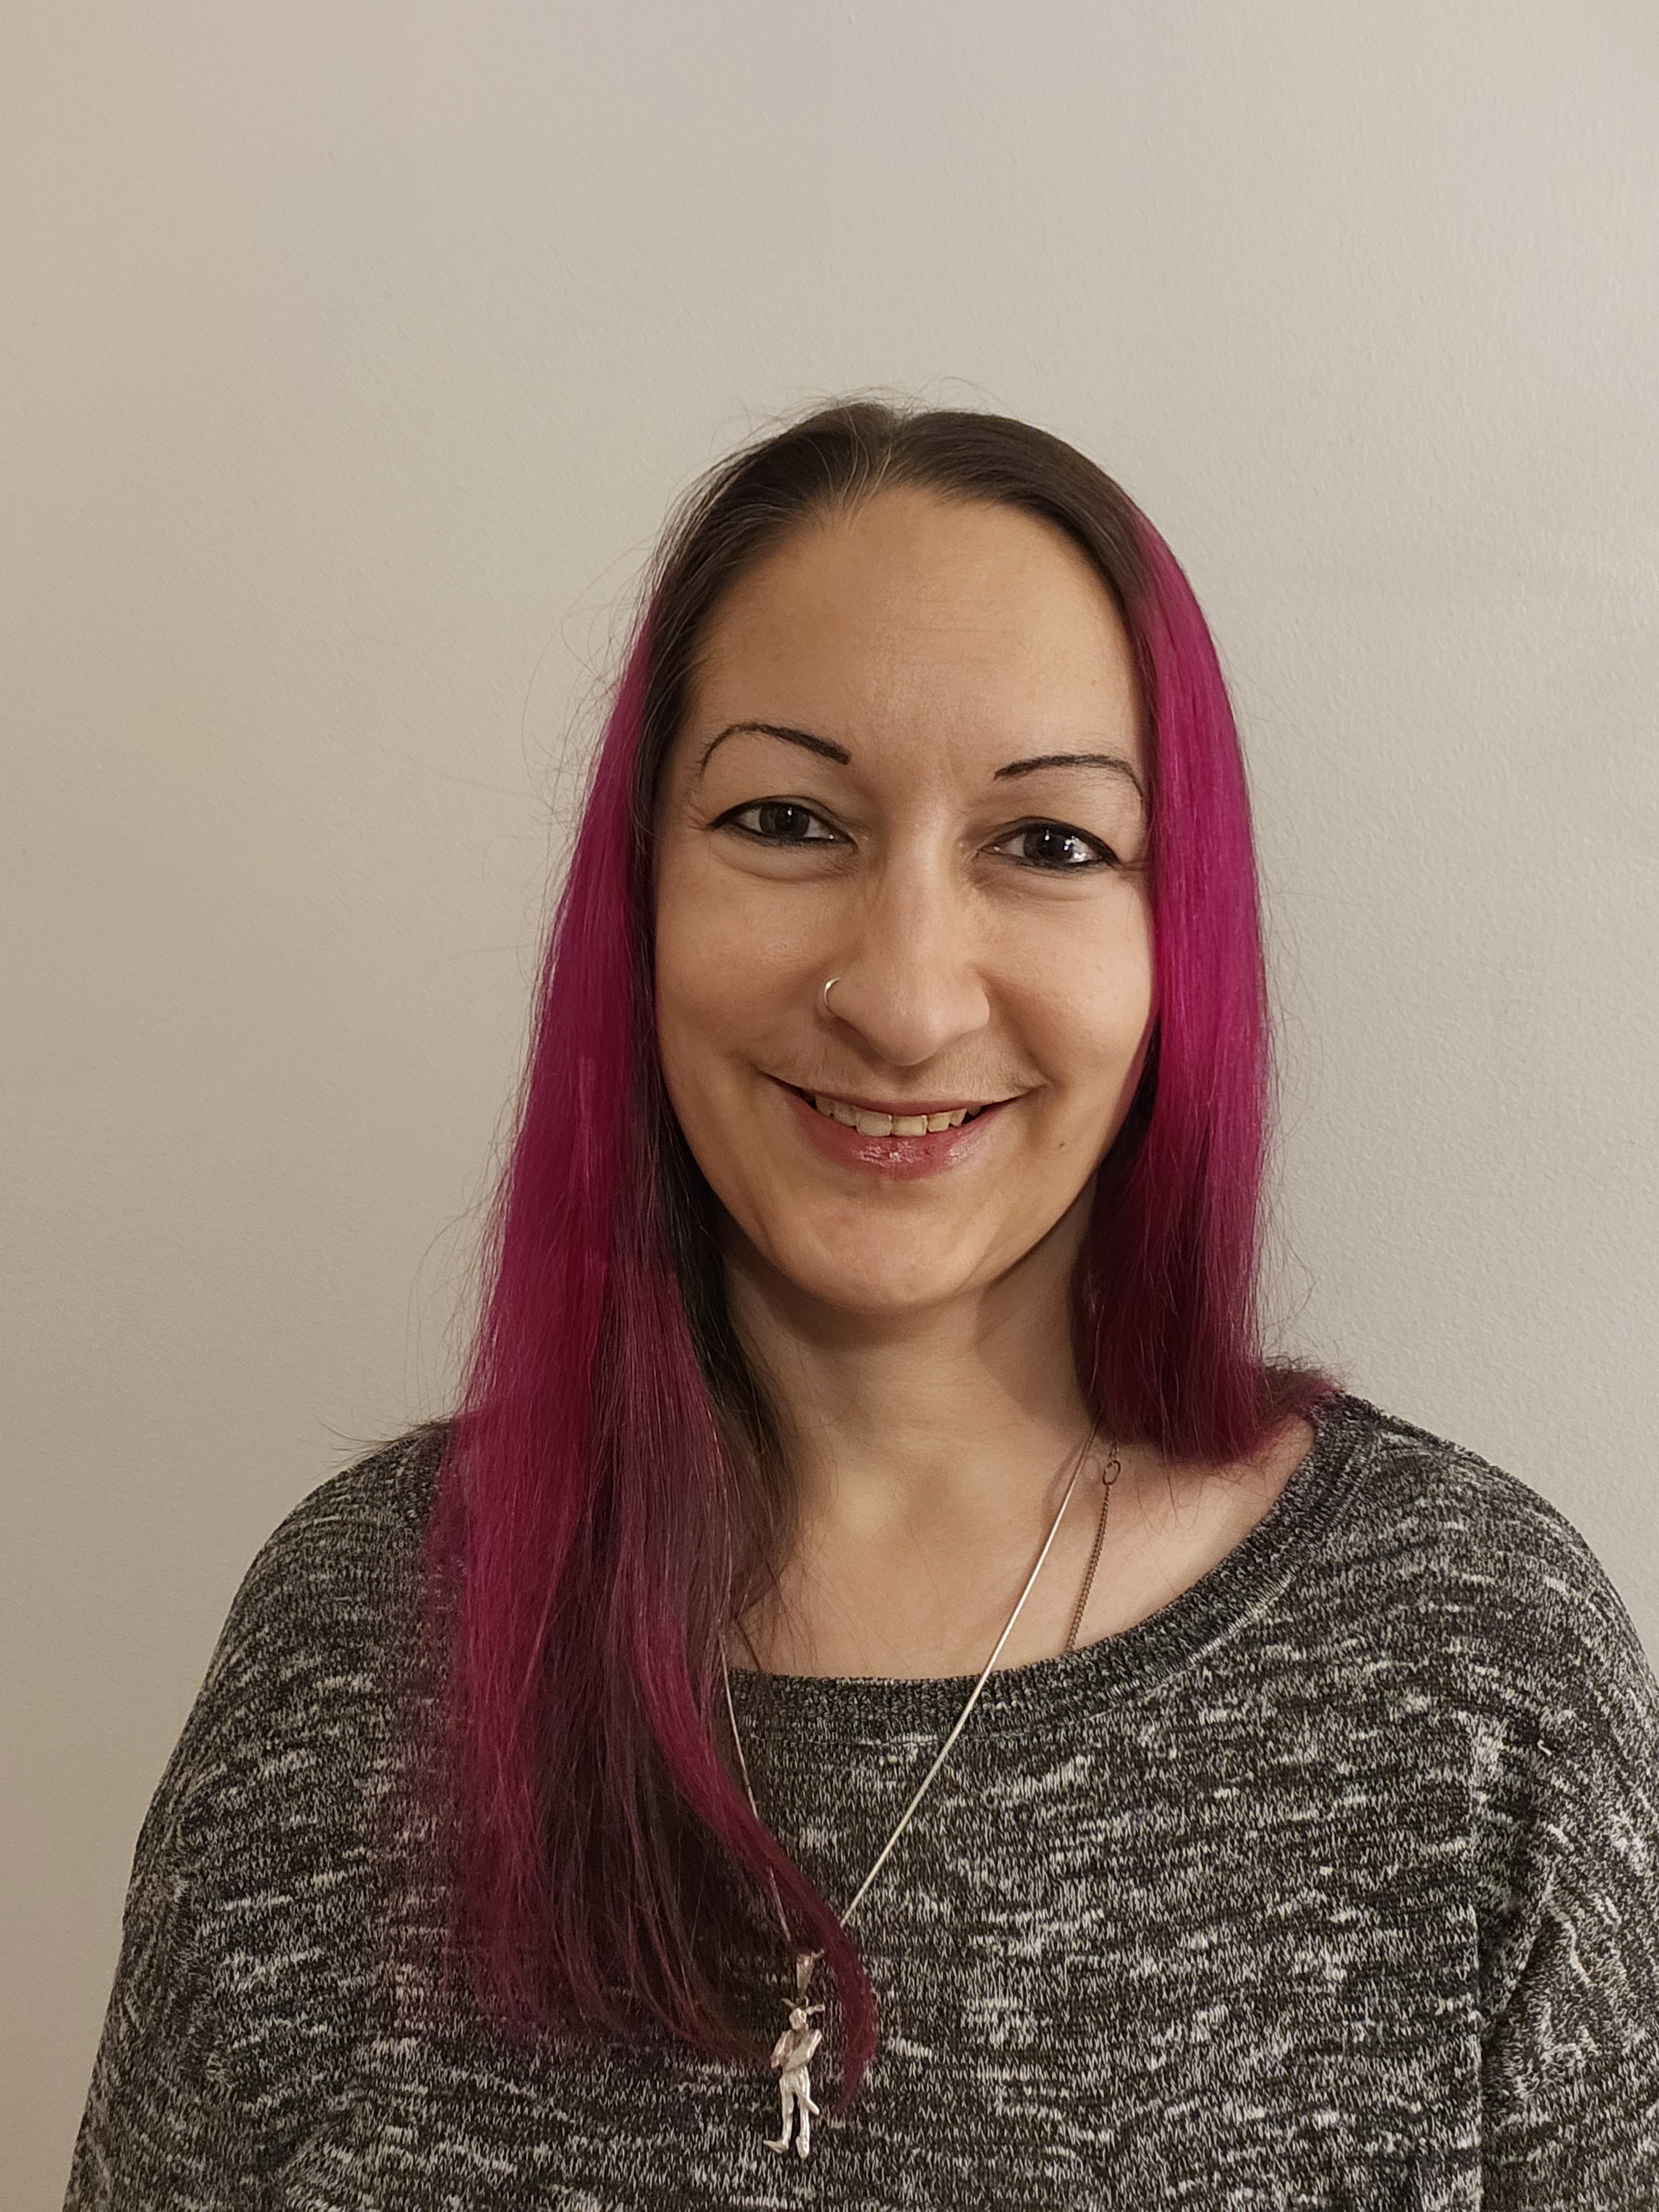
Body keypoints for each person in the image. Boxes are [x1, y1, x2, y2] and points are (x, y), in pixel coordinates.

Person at [66, 403, 1658, 2209]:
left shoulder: (1468, 1676)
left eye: (1048, 844)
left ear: (1179, 942)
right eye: (785, 820)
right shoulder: (355, 1649)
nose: (904, 998)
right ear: (640, 895)